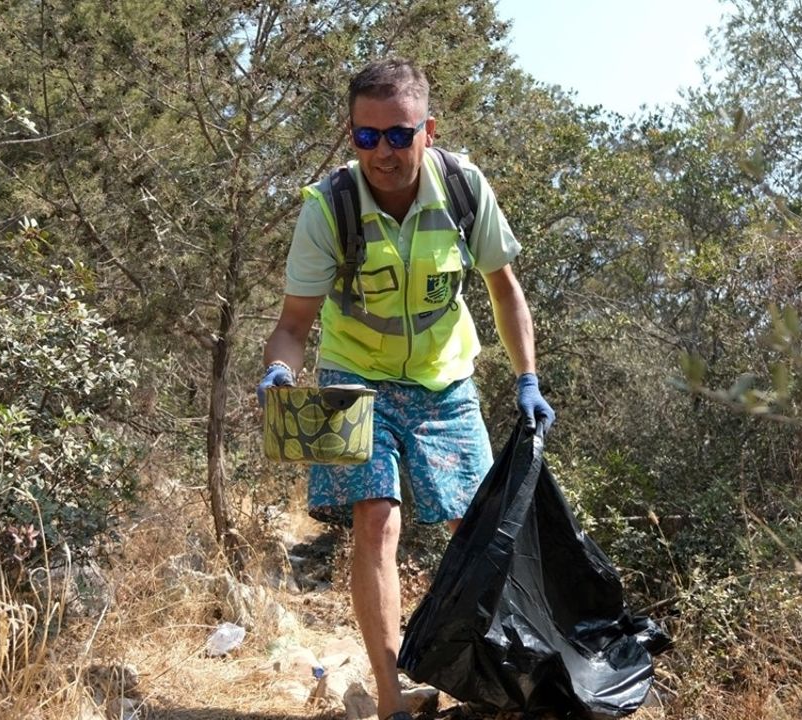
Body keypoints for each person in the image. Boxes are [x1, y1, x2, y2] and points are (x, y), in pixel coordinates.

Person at [257, 58, 554, 720]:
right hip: (353, 373)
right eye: (366, 137)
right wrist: (280, 371)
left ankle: (502, 686)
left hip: (445, 380)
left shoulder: (464, 188)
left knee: (480, 532)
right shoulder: (327, 207)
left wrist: (527, 377)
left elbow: (505, 292)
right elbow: (293, 324)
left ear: (428, 128)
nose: (382, 152)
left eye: (398, 134)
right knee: (376, 521)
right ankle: (393, 701)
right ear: (350, 134)